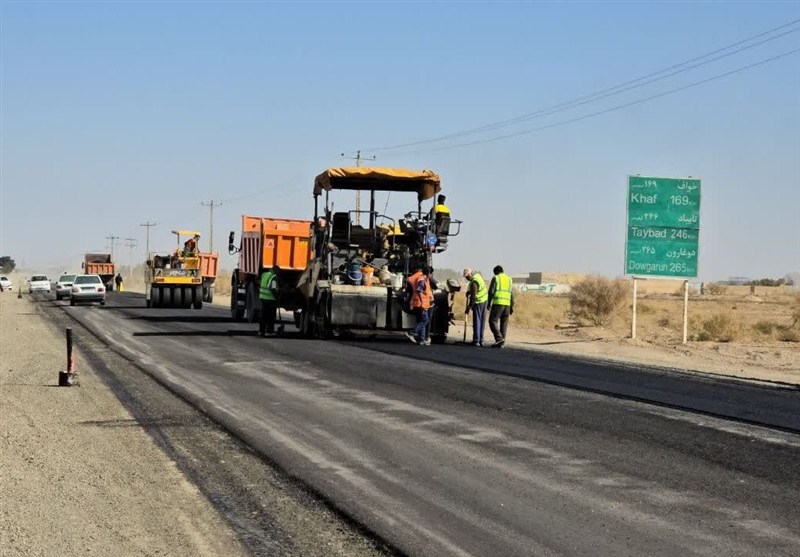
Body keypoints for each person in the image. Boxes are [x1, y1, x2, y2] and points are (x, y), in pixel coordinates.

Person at [487, 265, 514, 348]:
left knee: (492, 321)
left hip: (498, 303)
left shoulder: (496, 278)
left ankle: (499, 338)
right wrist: (512, 305)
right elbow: (511, 294)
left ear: (496, 272)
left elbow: (491, 292)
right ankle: (501, 342)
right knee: (504, 323)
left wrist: (489, 303)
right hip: (507, 305)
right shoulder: (509, 279)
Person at [405, 266, 432, 345]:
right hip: (421, 304)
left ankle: (421, 339)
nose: (431, 275)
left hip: (423, 304)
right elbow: (419, 290)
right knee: (425, 320)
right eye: (431, 273)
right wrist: (423, 303)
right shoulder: (422, 280)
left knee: (421, 320)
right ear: (428, 273)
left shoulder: (425, 279)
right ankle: (411, 332)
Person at [463, 268, 488, 347]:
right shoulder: (478, 276)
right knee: (482, 321)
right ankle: (481, 340)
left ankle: (476, 340)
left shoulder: (474, 282)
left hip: (479, 302)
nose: (467, 279)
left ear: (470, 274)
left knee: (477, 321)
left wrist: (469, 307)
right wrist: (469, 291)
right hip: (484, 300)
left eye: (467, 277)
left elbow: (473, 297)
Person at [258, 265, 280, 336]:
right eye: (277, 272)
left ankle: (261, 331)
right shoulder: (273, 277)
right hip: (270, 299)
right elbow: (273, 288)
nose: (277, 273)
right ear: (275, 271)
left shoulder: (264, 275)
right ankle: (269, 331)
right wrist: (277, 296)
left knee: (263, 316)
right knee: (271, 317)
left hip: (262, 298)